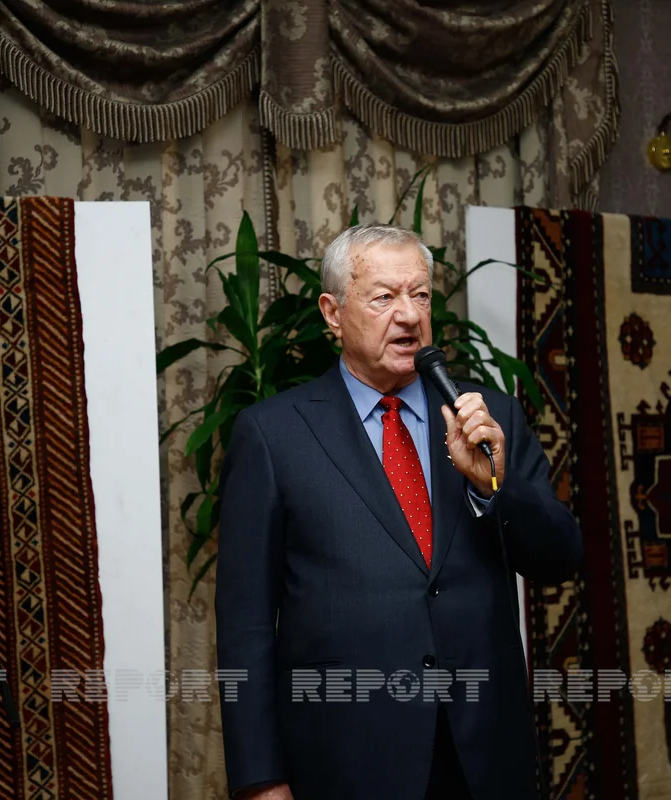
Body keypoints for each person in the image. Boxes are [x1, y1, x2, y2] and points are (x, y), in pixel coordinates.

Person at [214, 223, 582, 800]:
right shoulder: (272, 434)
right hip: (346, 759)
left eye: (420, 295)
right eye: (384, 297)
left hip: (484, 756)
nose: (409, 315)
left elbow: (561, 557)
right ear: (333, 313)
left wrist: (491, 486)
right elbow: (245, 625)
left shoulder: (489, 417)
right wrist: (260, 779)